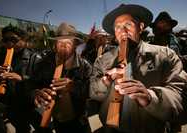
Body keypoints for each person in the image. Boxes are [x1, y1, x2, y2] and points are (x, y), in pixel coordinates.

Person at [90, 4, 187, 133]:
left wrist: (150, 97)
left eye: (128, 25)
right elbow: (93, 93)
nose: (123, 31)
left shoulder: (165, 55)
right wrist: (105, 82)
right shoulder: (103, 60)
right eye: (117, 27)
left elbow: (181, 97)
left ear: (140, 27)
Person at [31, 22, 92, 133]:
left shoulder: (85, 66)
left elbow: (91, 91)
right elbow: (32, 83)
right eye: (60, 42)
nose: (63, 46)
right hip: (56, 119)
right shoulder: (44, 62)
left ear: (75, 45)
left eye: (68, 42)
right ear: (55, 44)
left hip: (78, 120)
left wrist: (73, 87)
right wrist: (36, 92)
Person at [0, 25, 40, 133]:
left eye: (13, 39)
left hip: (30, 104)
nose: (9, 43)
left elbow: (41, 80)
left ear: (23, 40)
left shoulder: (34, 57)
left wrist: (22, 78)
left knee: (43, 128)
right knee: (21, 129)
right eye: (6, 40)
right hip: (10, 106)